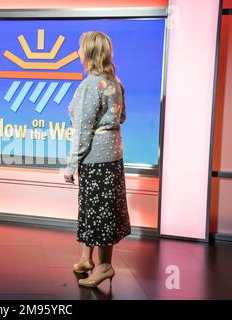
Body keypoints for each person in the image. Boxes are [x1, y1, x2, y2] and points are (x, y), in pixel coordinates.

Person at [64, 31, 131, 287]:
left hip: (95, 157)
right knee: (98, 208)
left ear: (89, 53)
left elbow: (82, 130)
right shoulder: (114, 81)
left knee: (98, 212)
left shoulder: (90, 85)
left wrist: (71, 165)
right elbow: (122, 117)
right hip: (114, 155)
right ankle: (86, 258)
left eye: (81, 48)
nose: (78, 52)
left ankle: (104, 266)